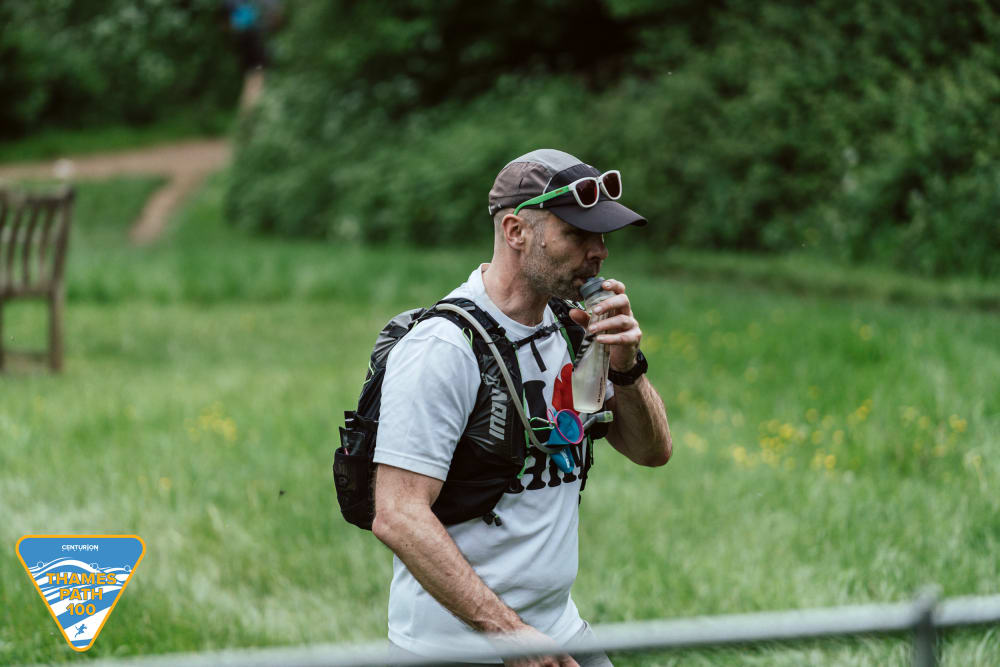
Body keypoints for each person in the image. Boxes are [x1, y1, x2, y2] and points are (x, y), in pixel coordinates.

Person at [372, 149, 672, 666]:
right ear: (516, 231)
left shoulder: (572, 328)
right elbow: (398, 514)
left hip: (559, 629)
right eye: (578, 234)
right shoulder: (443, 347)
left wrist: (626, 365)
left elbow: (652, 452)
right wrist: (509, 635)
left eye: (602, 236)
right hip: (458, 648)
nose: (599, 251)